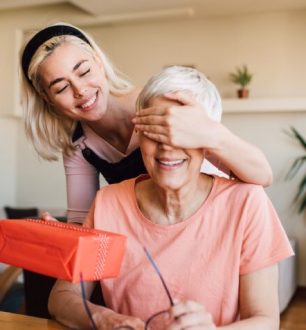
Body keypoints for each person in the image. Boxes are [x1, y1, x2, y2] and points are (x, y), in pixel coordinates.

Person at [48, 66, 293, 330]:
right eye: (156, 131)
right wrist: (104, 319)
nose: (168, 147)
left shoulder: (247, 203)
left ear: (208, 143)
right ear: (139, 133)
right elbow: (62, 298)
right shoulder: (108, 203)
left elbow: (266, 321)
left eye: (183, 134)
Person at [20, 22, 273, 225]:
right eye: (62, 87)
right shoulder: (80, 146)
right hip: (155, 232)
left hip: (214, 219)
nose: (80, 90)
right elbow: (84, 221)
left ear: (98, 61)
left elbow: (262, 175)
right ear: (47, 98)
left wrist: (209, 132)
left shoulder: (159, 103)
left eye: (84, 71)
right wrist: (63, 234)